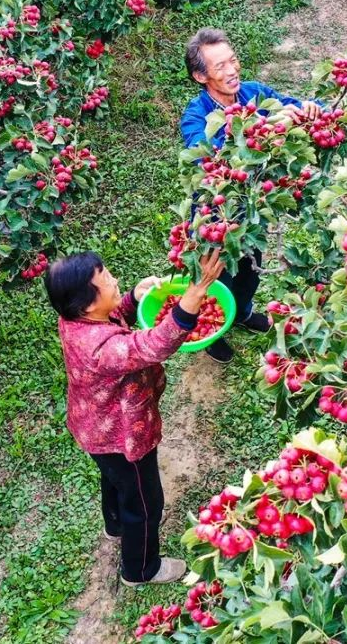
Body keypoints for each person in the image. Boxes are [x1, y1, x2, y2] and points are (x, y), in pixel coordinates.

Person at [46, 249, 225, 586]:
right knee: (145, 503)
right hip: (123, 437)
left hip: (95, 430)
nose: (115, 280)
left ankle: (114, 525)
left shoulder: (74, 319)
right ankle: (141, 569)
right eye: (107, 281)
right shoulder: (100, 349)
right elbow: (153, 345)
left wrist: (128, 300)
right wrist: (194, 295)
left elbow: (112, 322)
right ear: (85, 305)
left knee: (116, 480)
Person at [179, 28, 322, 364]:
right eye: (220, 66)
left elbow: (293, 107)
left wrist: (313, 109)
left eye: (233, 60)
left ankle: (240, 313)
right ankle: (210, 329)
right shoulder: (196, 115)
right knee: (213, 273)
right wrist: (267, 126)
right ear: (201, 75)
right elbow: (207, 155)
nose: (231, 71)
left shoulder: (255, 93)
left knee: (249, 267)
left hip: (253, 204)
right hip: (215, 210)